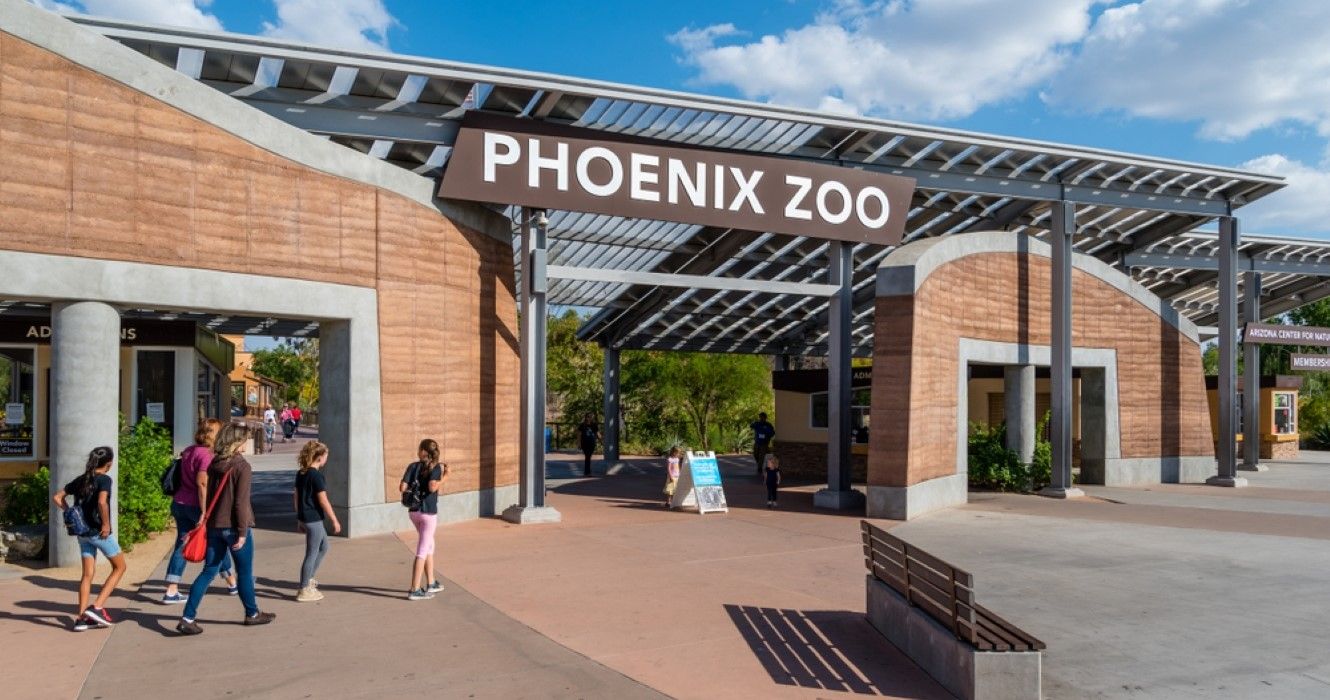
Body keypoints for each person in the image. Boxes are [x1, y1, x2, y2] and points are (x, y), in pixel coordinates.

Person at [176, 422, 276, 635]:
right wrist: (241, 532)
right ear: (238, 442)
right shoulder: (242, 467)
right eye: (245, 440)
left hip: (214, 526)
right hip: (234, 527)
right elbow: (240, 502)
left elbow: (211, 494)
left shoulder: (214, 464)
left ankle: (188, 617)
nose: (247, 443)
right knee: (245, 572)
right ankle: (252, 613)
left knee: (208, 571)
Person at [162, 419, 238, 604]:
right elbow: (202, 483)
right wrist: (204, 511)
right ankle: (232, 581)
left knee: (182, 542)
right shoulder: (207, 455)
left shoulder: (189, 450)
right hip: (197, 506)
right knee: (216, 542)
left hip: (180, 502)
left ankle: (171, 589)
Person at [53, 446, 127, 631]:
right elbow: (102, 502)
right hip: (98, 532)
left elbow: (57, 497)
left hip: (82, 533)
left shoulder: (82, 479)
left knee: (87, 574)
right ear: (109, 464)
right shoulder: (104, 479)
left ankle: (80, 618)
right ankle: (97, 607)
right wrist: (106, 525)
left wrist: (71, 512)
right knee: (120, 567)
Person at [399, 438, 446, 600]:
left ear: (424, 451)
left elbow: (402, 488)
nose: (418, 451)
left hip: (413, 512)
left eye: (419, 448)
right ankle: (414, 589)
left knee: (429, 545)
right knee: (422, 550)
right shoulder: (436, 467)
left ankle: (431, 582)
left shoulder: (413, 466)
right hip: (428, 513)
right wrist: (445, 477)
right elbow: (433, 486)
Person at [294, 440, 340, 602]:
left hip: (307, 517)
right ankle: (304, 588)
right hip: (314, 518)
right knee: (311, 553)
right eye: (326, 456)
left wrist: (299, 518)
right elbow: (323, 500)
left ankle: (309, 579)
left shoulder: (302, 473)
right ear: (320, 457)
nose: (327, 459)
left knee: (324, 546)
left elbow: (296, 496)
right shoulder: (316, 476)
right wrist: (334, 520)